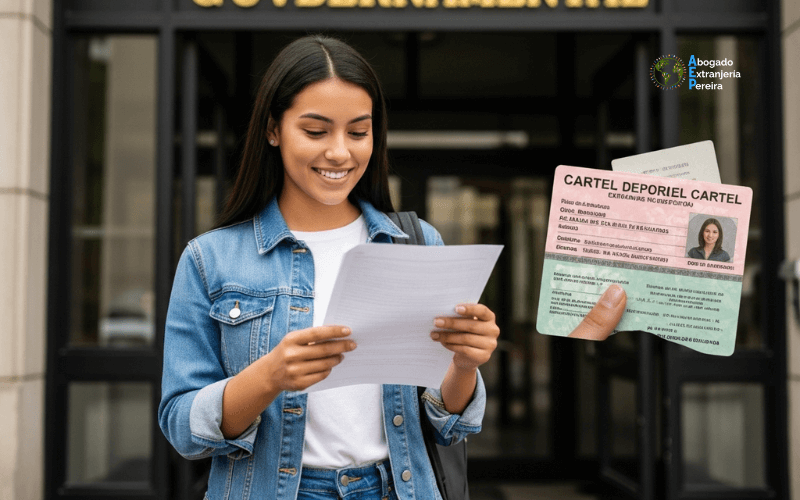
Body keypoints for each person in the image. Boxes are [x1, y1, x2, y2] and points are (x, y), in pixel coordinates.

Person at [158, 35, 627, 500]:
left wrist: (465, 363)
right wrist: (268, 378)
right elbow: (181, 426)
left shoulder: (419, 243)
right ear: (273, 130)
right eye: (316, 131)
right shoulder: (211, 259)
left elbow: (450, 424)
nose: (340, 152)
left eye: (358, 132)